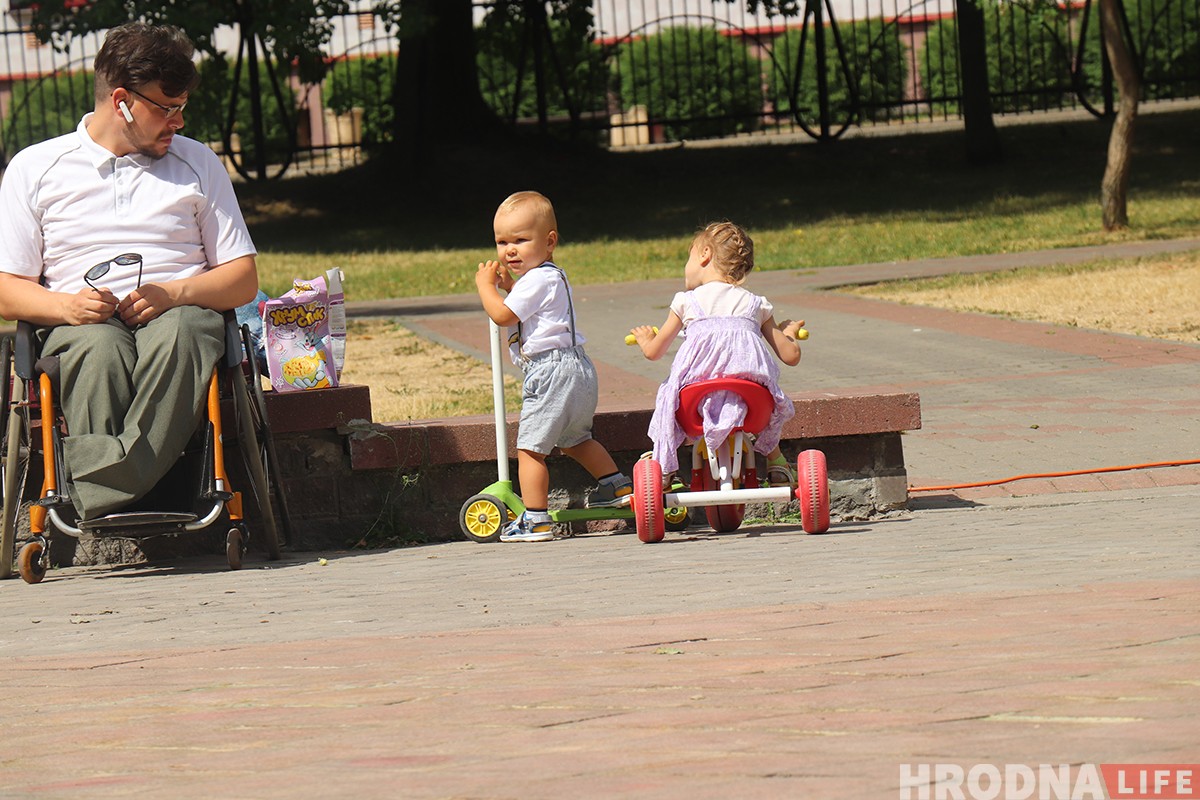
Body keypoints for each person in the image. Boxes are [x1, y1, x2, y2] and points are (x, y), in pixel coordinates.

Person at [0, 22, 259, 521]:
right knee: (97, 348)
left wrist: (174, 293)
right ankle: (143, 490)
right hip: (81, 326)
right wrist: (66, 307)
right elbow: (8, 290)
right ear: (121, 100)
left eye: (183, 107)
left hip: (179, 316)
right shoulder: (37, 168)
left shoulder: (198, 164)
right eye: (168, 108)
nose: (179, 122)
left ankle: (95, 491)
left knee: (184, 330)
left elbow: (242, 279)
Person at [475, 191, 632, 542]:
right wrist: (508, 286)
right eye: (502, 242)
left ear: (549, 242)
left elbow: (502, 315)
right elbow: (531, 304)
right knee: (576, 439)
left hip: (550, 373)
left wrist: (486, 288)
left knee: (530, 449)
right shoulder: (550, 276)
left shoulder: (535, 280)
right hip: (578, 370)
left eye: (520, 240)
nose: (509, 250)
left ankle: (536, 519)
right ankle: (616, 486)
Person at [628, 221, 804, 486]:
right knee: (758, 397)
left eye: (688, 257)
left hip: (694, 404)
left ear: (704, 254)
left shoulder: (687, 302)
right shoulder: (755, 303)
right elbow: (790, 355)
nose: (685, 267)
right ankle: (777, 464)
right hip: (753, 405)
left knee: (668, 396)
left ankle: (664, 467)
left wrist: (646, 338)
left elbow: (654, 352)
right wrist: (787, 332)